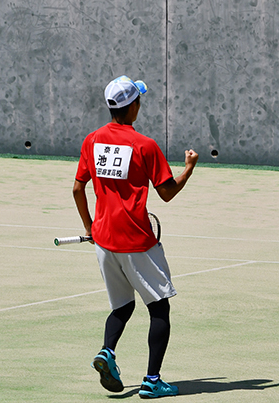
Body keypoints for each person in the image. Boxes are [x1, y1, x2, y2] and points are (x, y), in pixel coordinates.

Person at [73, 76, 198, 399]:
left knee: (122, 307)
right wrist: (189, 168)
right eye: (139, 100)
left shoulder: (92, 140)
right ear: (133, 106)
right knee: (159, 309)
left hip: (104, 241)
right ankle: (152, 380)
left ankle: (107, 352)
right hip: (137, 241)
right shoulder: (145, 146)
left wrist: (89, 226)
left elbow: (77, 188)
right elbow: (167, 193)